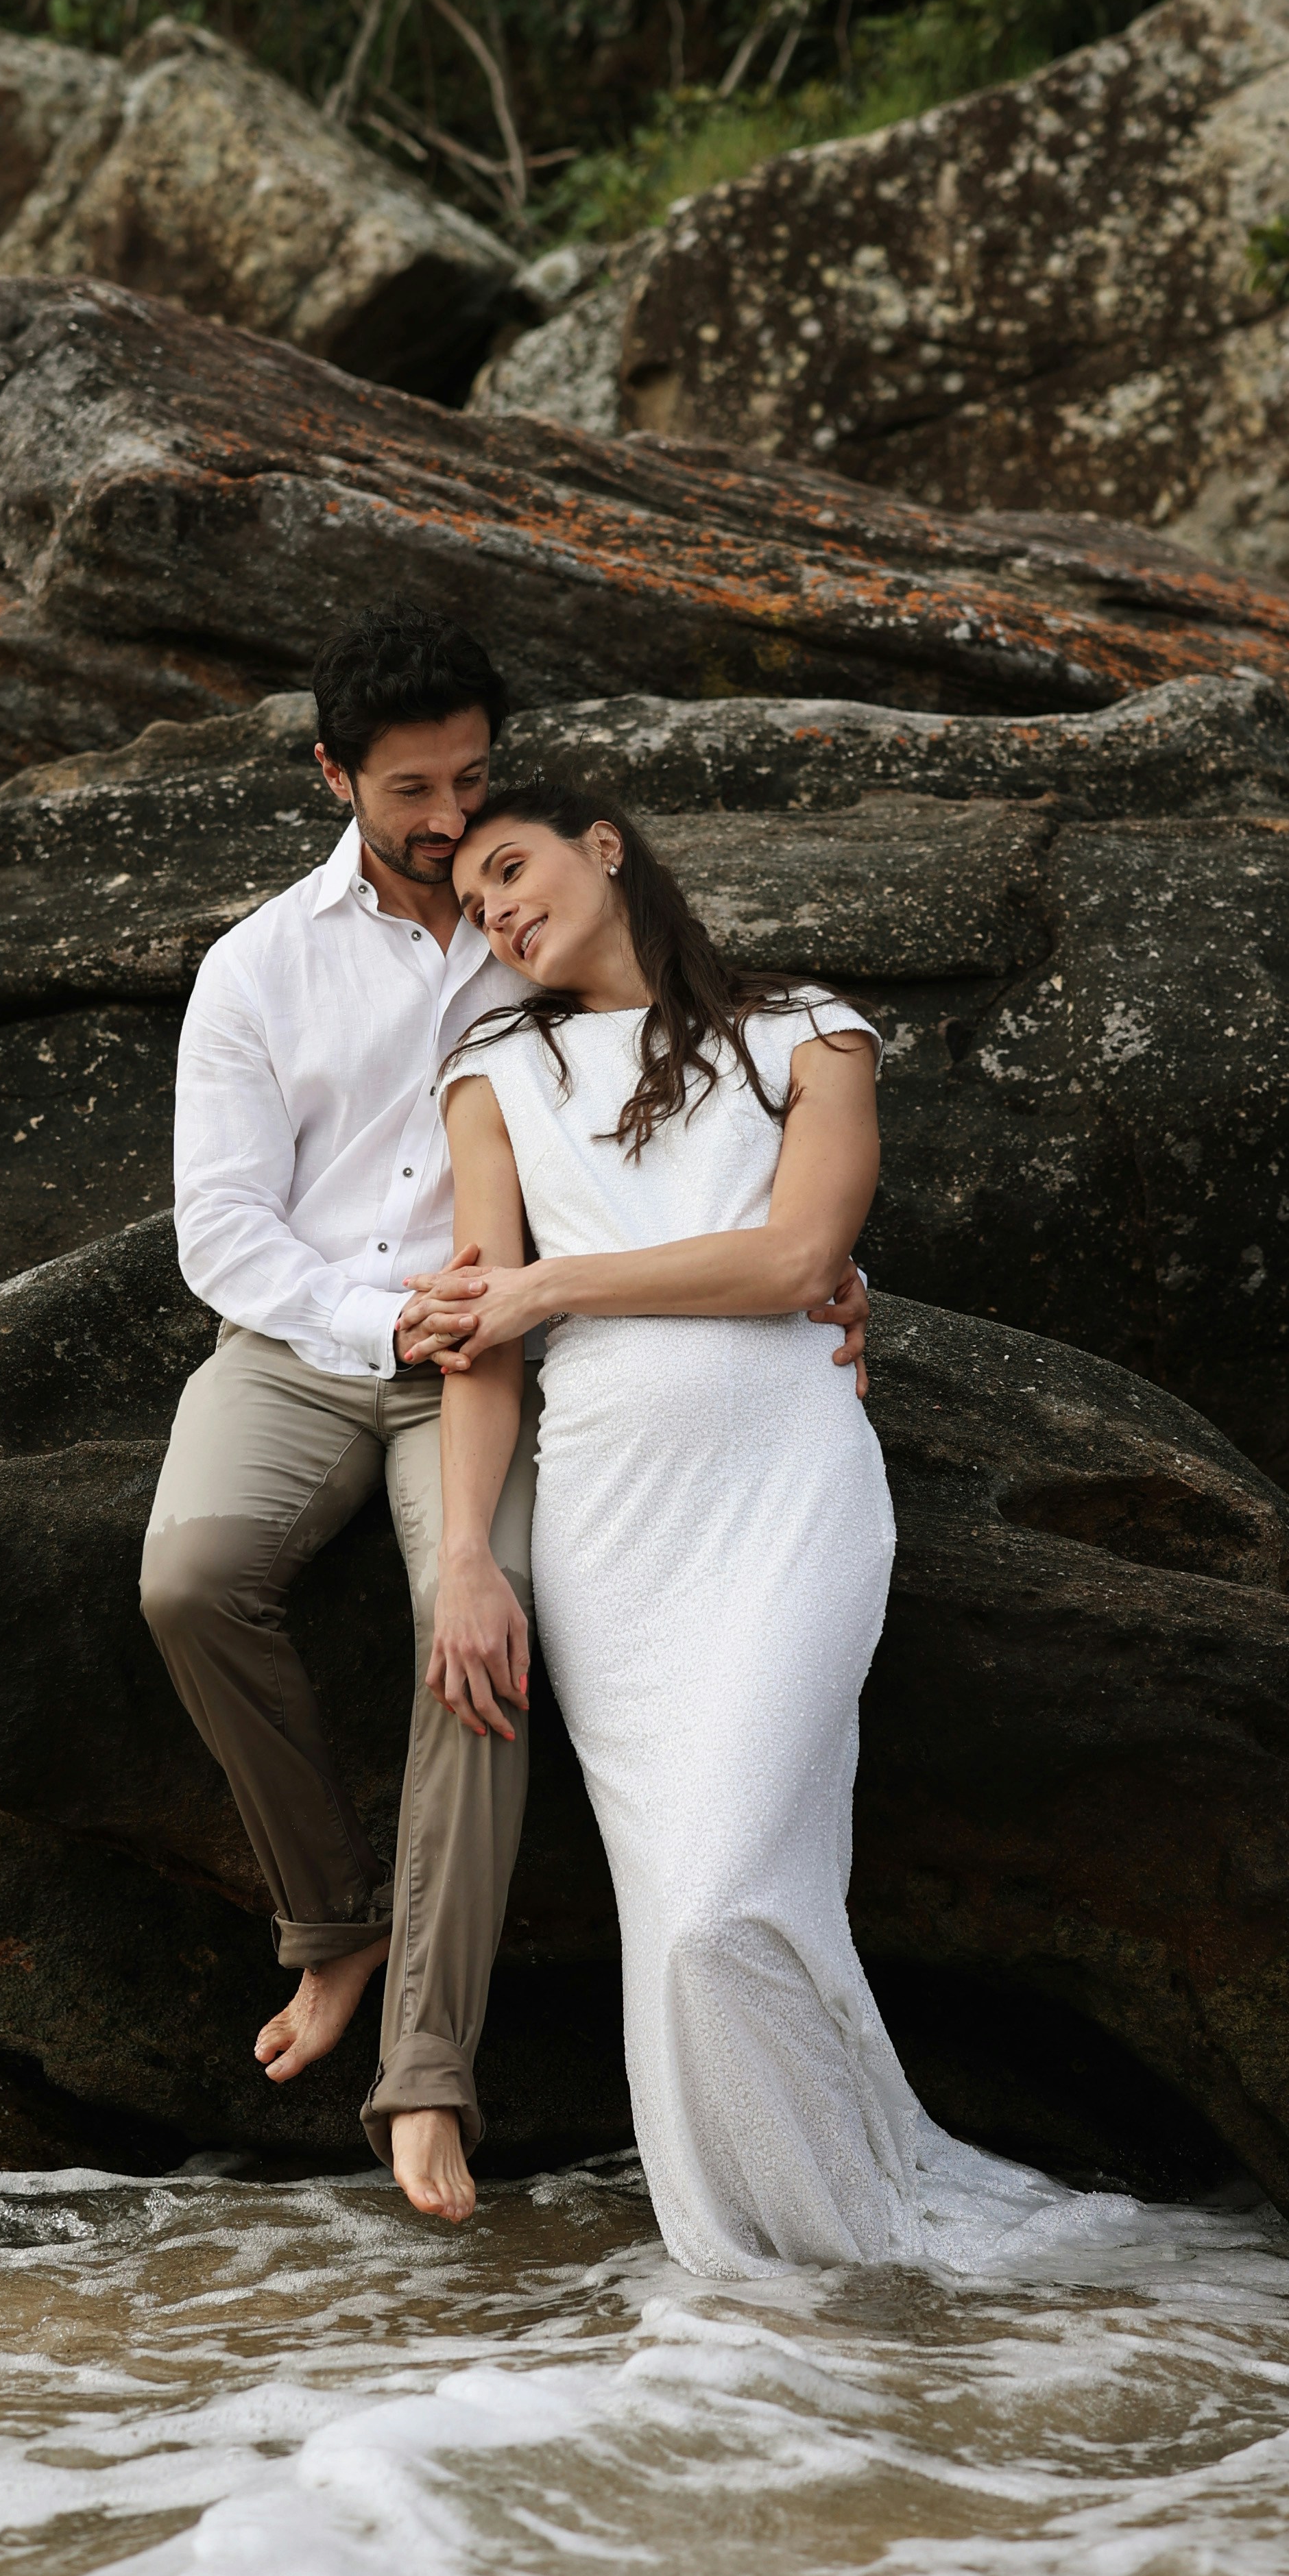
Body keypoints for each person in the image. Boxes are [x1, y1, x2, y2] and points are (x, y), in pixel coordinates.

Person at [139, 604, 876, 2225]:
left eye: (471, 784)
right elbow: (221, 1228)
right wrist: (379, 1317)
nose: (449, 823)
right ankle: (332, 1925)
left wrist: (815, 1265)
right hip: (307, 1336)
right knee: (188, 1577)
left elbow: (682, 1118)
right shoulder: (259, 964)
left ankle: (424, 2071)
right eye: (410, 791)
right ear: (333, 776)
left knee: (472, 1636)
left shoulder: (531, 917)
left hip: (491, 1352)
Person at [407, 777, 1011, 2276]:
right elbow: (478, 1345)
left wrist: (553, 1285)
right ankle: (768, 2280)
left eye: (511, 868)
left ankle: (831, 2243)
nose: (497, 911)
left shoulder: (810, 1033)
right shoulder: (492, 1072)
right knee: (679, 1913)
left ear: (604, 848)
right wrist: (467, 1553)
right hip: (612, 1532)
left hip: (791, 1495)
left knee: (731, 1891)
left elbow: (797, 1258)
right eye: (473, 904)